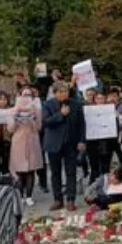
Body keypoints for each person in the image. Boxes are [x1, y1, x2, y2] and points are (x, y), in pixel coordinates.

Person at [42, 82, 86, 212]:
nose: (64, 94)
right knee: (55, 173)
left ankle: (71, 199)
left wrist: (82, 140)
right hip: (54, 143)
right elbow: (46, 122)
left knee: (71, 172)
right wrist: (61, 114)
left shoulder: (76, 104)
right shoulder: (48, 104)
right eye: (60, 92)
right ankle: (58, 199)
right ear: (55, 93)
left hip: (71, 143)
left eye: (65, 91)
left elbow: (82, 124)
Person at [8, 89, 44, 205]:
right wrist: (15, 119)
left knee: (30, 170)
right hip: (18, 141)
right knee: (19, 170)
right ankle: (20, 195)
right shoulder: (13, 110)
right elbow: (10, 129)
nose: (26, 97)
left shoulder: (36, 110)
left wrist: (33, 119)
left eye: (29, 95)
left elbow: (38, 127)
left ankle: (29, 196)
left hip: (32, 141)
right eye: (24, 95)